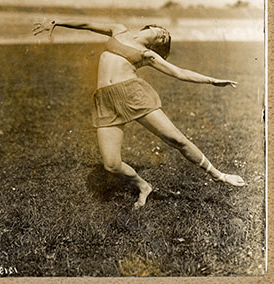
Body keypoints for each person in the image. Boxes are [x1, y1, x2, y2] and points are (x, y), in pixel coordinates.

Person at [33, 20, 245, 209]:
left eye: (165, 39)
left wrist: (212, 80)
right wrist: (57, 23)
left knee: (176, 139)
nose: (163, 35)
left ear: (155, 46)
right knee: (111, 164)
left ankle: (219, 175)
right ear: (149, 27)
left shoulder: (148, 55)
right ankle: (143, 186)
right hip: (105, 101)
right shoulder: (118, 30)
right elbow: (87, 25)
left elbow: (179, 72)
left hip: (132, 95)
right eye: (163, 31)